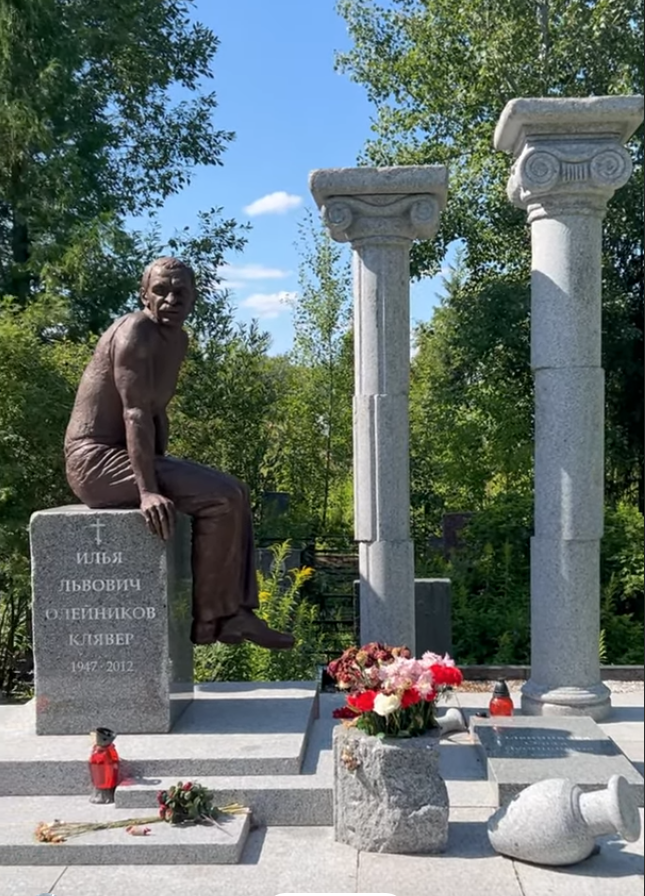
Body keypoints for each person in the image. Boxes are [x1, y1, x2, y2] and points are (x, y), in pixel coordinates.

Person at [64, 256, 294, 650]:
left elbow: (156, 413)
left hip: (127, 454)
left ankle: (234, 615)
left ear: (193, 299)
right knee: (220, 498)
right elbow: (135, 413)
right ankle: (214, 620)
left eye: (180, 293)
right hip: (94, 462)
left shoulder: (176, 339)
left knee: (235, 490)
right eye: (161, 291)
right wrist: (148, 490)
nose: (171, 299)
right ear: (144, 295)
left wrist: (165, 465)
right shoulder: (134, 331)